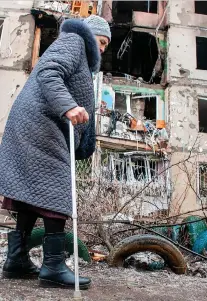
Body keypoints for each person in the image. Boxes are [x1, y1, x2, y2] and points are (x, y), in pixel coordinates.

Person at [0, 15, 111, 290]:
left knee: (33, 192)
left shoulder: (82, 60)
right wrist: (68, 106)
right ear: (88, 35)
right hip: (40, 125)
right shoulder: (73, 42)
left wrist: (84, 142)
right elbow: (49, 72)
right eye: (99, 41)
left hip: (36, 126)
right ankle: (53, 265)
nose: (102, 49)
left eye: (106, 46)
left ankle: (16, 259)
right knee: (57, 189)